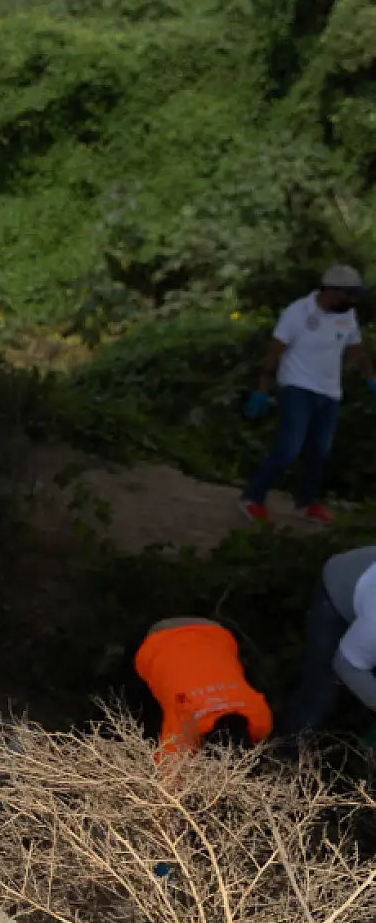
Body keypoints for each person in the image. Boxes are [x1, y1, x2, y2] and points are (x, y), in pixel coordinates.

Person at [240, 266, 376, 524]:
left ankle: (307, 502)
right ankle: (252, 497)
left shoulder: (347, 314)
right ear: (332, 291)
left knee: (319, 452)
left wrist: (372, 378)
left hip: (330, 392)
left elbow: (355, 349)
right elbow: (274, 351)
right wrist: (262, 388)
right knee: (289, 448)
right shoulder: (298, 312)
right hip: (297, 387)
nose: (354, 301)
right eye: (350, 295)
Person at [274, 547, 376, 737]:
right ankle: (282, 756)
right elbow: (346, 664)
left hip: (367, 588)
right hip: (339, 589)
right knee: (320, 690)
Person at [133, 618, 271, 754]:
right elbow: (169, 771)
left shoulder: (260, 717)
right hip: (159, 640)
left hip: (214, 632)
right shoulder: (185, 723)